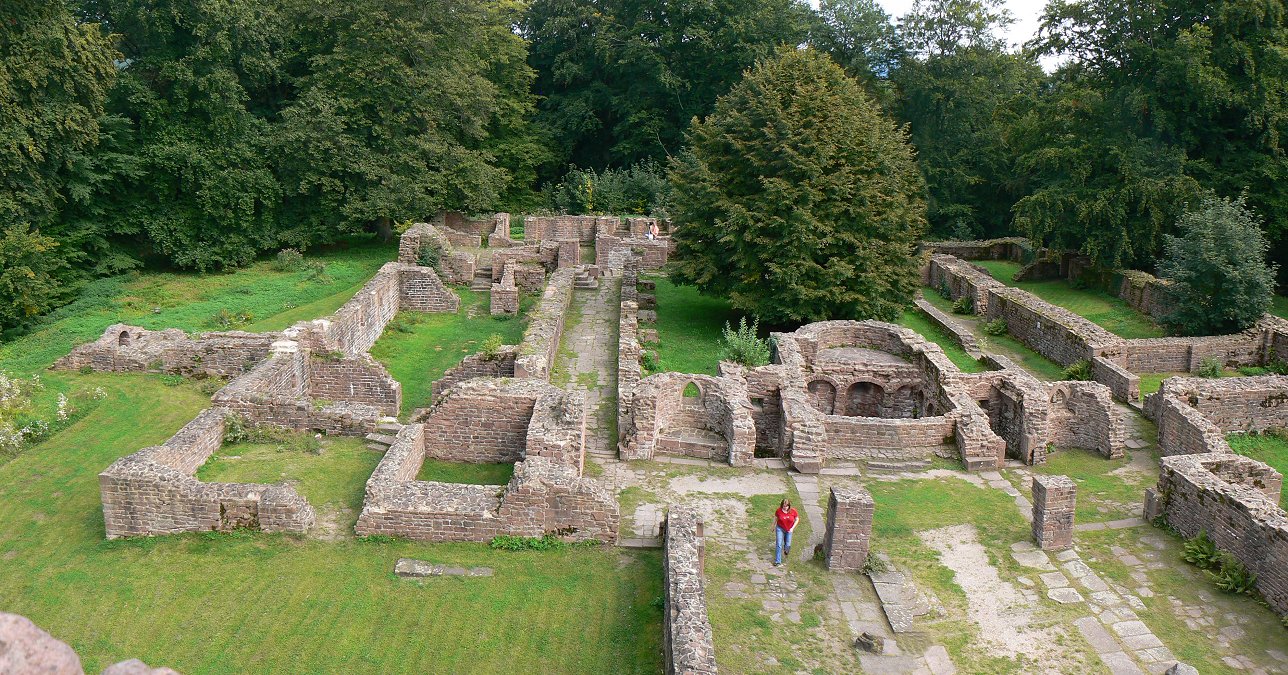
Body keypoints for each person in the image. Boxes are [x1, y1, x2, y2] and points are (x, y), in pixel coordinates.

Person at [773, 498, 799, 566]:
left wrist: (792, 528)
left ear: (789, 506)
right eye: (784, 506)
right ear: (782, 505)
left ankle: (786, 549)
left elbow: (797, 519)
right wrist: (773, 526)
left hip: (789, 529)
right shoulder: (778, 511)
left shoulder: (793, 511)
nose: (785, 508)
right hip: (780, 528)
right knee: (779, 544)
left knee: (788, 544)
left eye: (786, 506)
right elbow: (775, 518)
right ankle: (778, 561)